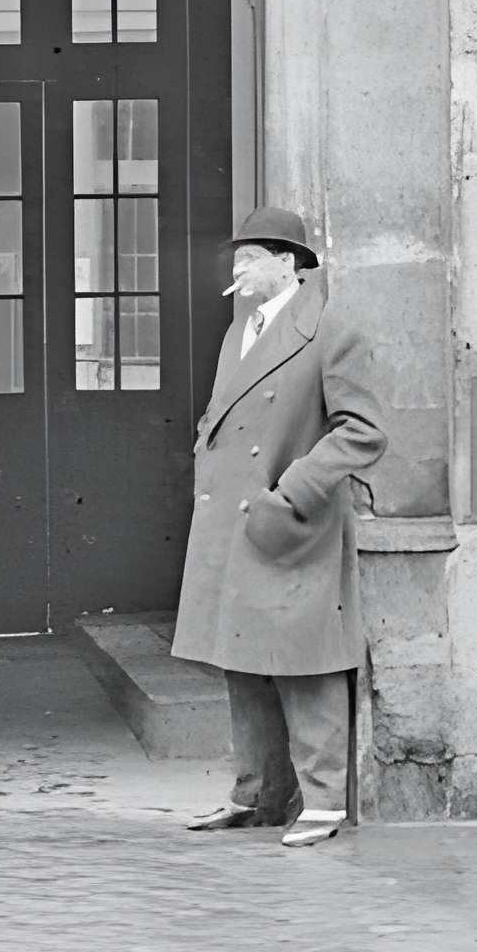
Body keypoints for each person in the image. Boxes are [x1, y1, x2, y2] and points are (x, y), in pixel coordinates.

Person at [169, 204, 388, 846]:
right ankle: (258, 795)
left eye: (249, 258)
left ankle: (322, 800)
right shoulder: (241, 330)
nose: (236, 270)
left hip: (291, 521)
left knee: (304, 660)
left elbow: (364, 431)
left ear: (287, 264)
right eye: (236, 259)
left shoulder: (331, 330)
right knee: (241, 659)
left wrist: (292, 492)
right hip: (232, 522)